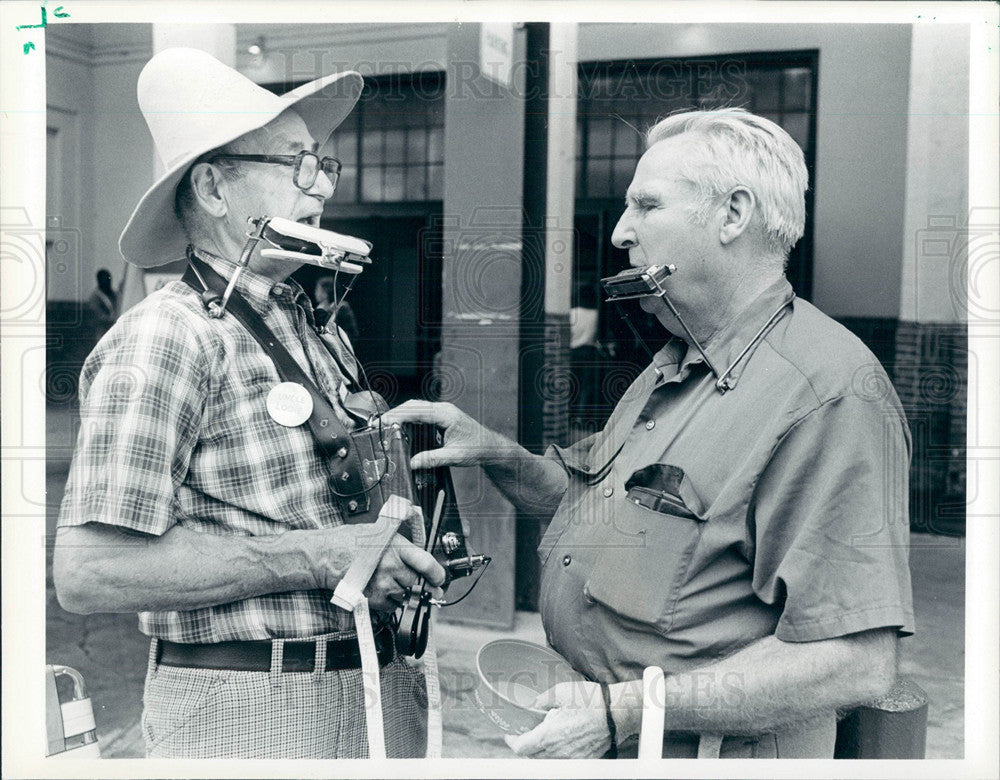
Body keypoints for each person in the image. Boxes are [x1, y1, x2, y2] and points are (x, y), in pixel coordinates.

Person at [383, 108, 913, 759]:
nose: (618, 234)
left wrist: (622, 712)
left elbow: (853, 661)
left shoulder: (828, 391)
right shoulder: (671, 364)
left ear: (732, 215)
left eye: (646, 206)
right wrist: (495, 452)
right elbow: (600, 511)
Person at [53, 48, 444, 759]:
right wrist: (324, 556)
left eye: (322, 165)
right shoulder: (167, 336)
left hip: (373, 689)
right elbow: (89, 571)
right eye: (295, 164)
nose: (320, 188)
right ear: (212, 188)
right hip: (247, 713)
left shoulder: (312, 323)